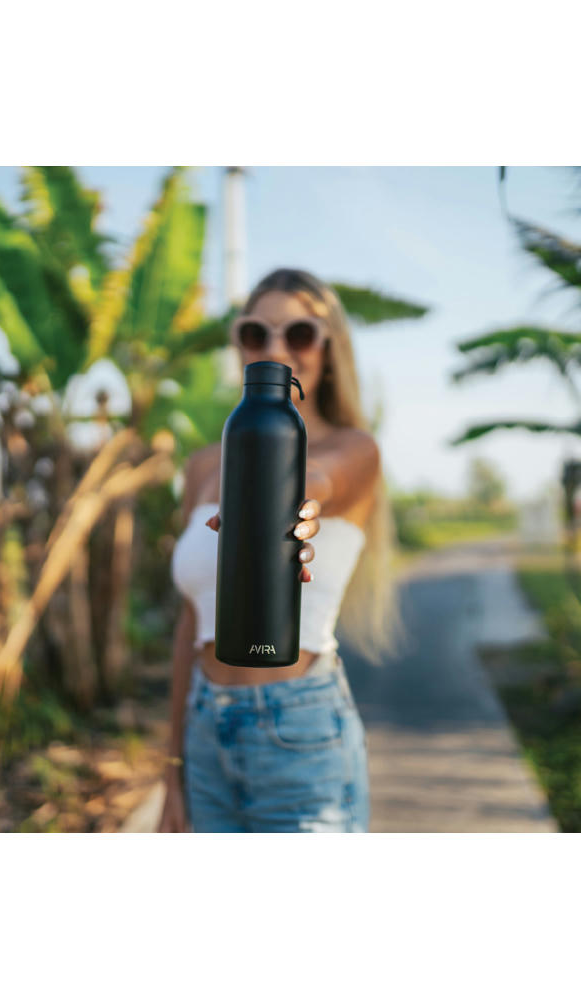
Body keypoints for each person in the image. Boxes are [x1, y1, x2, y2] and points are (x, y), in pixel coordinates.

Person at [158, 268, 403, 833]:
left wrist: (291, 498)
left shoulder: (355, 449)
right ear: (239, 345)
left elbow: (321, 477)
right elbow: (191, 621)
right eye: (255, 333)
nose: (275, 349)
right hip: (204, 730)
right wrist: (171, 766)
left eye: (298, 333)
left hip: (301, 732)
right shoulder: (202, 466)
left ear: (329, 348)